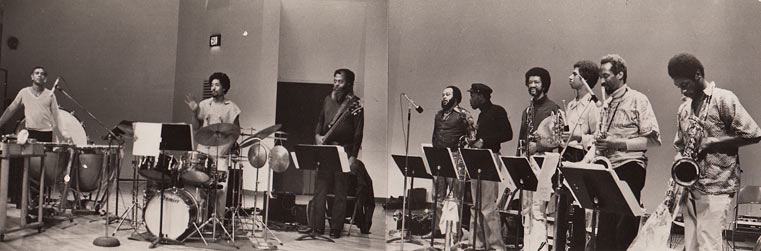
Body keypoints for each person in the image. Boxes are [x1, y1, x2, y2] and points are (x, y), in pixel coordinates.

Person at [668, 53, 760, 251]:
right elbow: (680, 146)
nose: (683, 90)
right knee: (691, 245)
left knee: (709, 243)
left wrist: (712, 143)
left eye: (685, 84)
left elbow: (753, 134)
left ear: (698, 75)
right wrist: (680, 163)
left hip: (717, 185)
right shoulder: (684, 109)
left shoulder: (723, 98)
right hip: (690, 187)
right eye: (679, 86)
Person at [592, 54, 661, 250]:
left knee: (623, 231)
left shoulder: (638, 99)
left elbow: (654, 140)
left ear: (620, 74)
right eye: (600, 76)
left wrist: (617, 143)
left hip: (629, 167)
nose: (602, 81)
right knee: (604, 232)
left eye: (606, 76)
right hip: (608, 169)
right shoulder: (606, 104)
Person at [0, 66, 71, 209]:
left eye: (42, 74)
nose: (39, 76)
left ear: (45, 79)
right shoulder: (24, 92)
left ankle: (39, 202)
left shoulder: (50, 95)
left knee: (41, 168)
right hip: (30, 134)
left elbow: (57, 116)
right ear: (32, 76)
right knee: (25, 167)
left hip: (45, 134)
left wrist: (65, 135)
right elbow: (11, 109)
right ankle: (23, 202)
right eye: (37, 73)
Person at [309, 68, 364, 239]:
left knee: (341, 189)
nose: (336, 84)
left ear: (348, 83)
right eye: (335, 81)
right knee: (320, 188)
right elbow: (320, 121)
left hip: (344, 149)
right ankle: (317, 227)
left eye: (340, 81)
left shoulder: (355, 103)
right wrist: (317, 136)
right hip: (325, 148)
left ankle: (336, 228)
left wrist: (353, 155)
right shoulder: (327, 99)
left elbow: (358, 132)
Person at [554, 60, 601, 250]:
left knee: (577, 212)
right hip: (566, 156)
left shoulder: (593, 106)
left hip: (581, 158)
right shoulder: (572, 104)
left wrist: (578, 136)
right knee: (563, 210)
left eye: (574, 74)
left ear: (584, 79)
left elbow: (598, 138)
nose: (570, 77)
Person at [184, 72, 241, 223]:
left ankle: (218, 223)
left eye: (217, 85)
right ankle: (199, 220)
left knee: (221, 188)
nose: (213, 88)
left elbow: (235, 133)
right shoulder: (203, 104)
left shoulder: (232, 108)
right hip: (203, 150)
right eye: (212, 85)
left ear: (224, 88)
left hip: (220, 152)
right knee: (200, 185)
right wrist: (195, 112)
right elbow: (196, 128)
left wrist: (225, 149)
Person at [517, 67, 562, 251]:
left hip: (543, 165)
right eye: (530, 82)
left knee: (538, 211)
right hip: (528, 164)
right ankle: (528, 247)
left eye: (536, 82)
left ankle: (539, 249)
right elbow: (521, 138)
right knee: (526, 210)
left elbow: (558, 141)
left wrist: (539, 147)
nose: (532, 85)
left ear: (544, 84)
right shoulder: (527, 110)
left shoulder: (553, 109)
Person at [467, 83, 512, 251]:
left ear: (480, 95)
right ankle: (477, 244)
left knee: (487, 207)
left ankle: (496, 247)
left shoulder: (497, 111)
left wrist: (483, 141)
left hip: (490, 158)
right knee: (476, 206)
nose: (470, 99)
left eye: (472, 96)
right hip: (478, 159)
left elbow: (508, 134)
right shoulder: (481, 115)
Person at [430, 85, 476, 238]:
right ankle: (437, 230)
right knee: (437, 196)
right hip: (439, 157)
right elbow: (435, 135)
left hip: (456, 157)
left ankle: (455, 233)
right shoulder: (438, 115)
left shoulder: (463, 114)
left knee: (456, 197)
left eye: (447, 94)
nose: (444, 97)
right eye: (443, 94)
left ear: (456, 97)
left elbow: (472, 137)